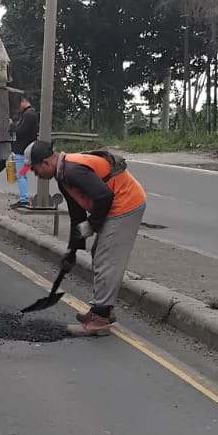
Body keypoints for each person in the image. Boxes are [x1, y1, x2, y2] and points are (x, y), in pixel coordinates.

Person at [21, 141, 147, 337]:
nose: (34, 174)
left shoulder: (72, 171)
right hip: (114, 205)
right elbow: (77, 216)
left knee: (107, 259)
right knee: (99, 253)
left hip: (126, 203)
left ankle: (100, 319)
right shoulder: (63, 177)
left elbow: (104, 196)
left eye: (34, 169)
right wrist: (72, 251)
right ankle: (104, 308)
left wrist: (92, 225)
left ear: (45, 162)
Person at [10, 95, 40, 209]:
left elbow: (20, 131)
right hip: (27, 151)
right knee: (23, 174)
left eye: (20, 103)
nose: (19, 106)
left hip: (22, 151)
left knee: (21, 175)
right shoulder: (32, 114)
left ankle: (24, 199)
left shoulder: (28, 115)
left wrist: (12, 126)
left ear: (24, 102)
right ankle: (24, 198)